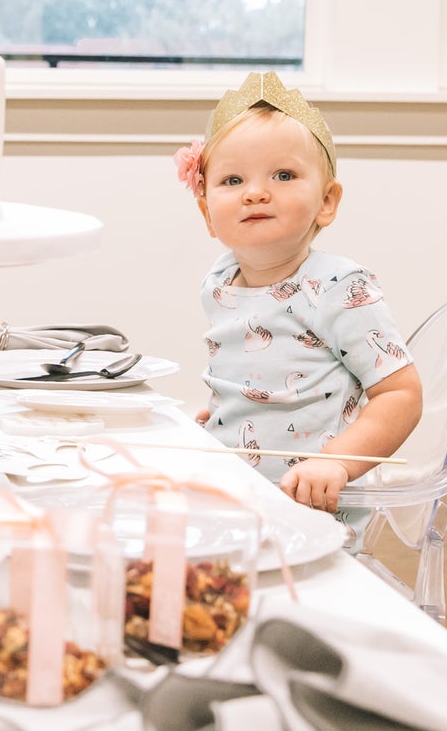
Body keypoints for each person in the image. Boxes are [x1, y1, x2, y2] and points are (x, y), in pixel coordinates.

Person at [177, 72, 422, 522]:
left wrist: (337, 462)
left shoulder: (338, 288)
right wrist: (225, 416)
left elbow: (401, 394)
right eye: (232, 180)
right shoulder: (219, 281)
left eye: (284, 175)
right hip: (230, 497)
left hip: (308, 510)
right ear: (207, 212)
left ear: (326, 201)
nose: (255, 192)